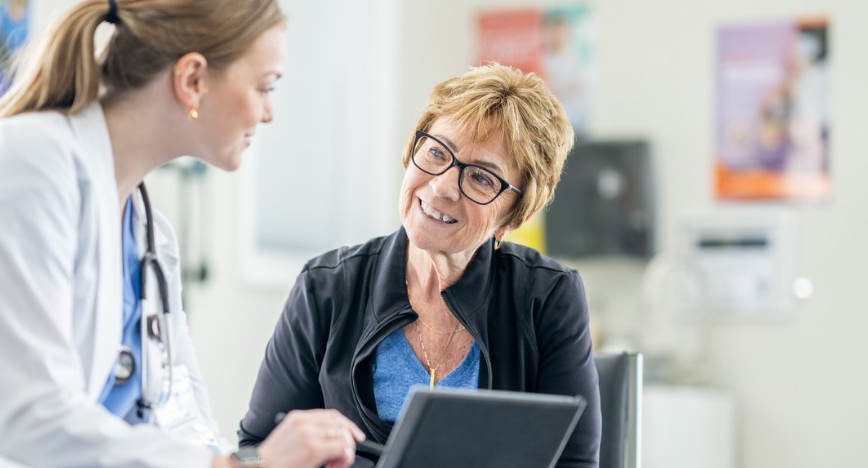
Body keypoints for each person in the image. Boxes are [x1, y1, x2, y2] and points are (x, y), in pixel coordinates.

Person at [0, 0, 364, 467]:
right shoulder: (28, 163)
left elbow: (179, 416)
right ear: (191, 80)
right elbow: (31, 420)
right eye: (265, 86)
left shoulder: (148, 232)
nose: (268, 112)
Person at [239, 64, 601, 467]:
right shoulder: (326, 286)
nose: (442, 186)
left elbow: (574, 462)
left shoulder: (549, 295)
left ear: (513, 216)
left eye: (481, 178)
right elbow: (260, 448)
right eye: (436, 152)